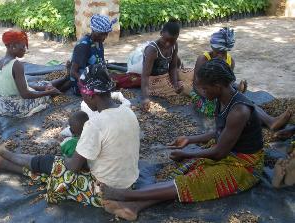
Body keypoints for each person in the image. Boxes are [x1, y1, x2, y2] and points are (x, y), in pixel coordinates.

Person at [99, 59, 266, 221]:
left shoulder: (239, 111)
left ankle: (127, 195)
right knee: (187, 172)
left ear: (217, 86)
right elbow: (219, 132)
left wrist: (187, 154)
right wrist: (190, 139)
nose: (201, 92)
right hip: (228, 153)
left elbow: (219, 152)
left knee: (195, 180)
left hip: (245, 166)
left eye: (204, 88)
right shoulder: (221, 98)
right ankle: (135, 207)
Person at [0, 63, 140, 207]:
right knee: (57, 170)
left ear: (91, 95)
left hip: (105, 191)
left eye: (83, 95)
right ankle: (2, 163)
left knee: (55, 167)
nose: (83, 99)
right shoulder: (127, 111)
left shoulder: (95, 124)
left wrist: (65, 157)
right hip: (129, 185)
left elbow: (73, 167)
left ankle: (5, 154)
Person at [0, 30, 70, 118]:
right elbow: (25, 94)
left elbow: (17, 86)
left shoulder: (0, 61)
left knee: (43, 85)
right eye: (22, 46)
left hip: (4, 106)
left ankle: (64, 78)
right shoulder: (16, 65)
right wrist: (48, 92)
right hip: (18, 109)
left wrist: (43, 88)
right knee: (47, 91)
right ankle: (64, 81)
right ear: (13, 46)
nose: (25, 50)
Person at [189, 27, 247, 117]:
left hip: (219, 93)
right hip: (204, 93)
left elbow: (228, 84)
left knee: (242, 103)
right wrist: (209, 96)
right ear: (213, 48)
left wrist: (237, 89)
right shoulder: (203, 59)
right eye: (218, 52)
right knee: (214, 109)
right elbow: (197, 85)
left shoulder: (230, 61)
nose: (220, 55)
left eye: (223, 52)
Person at [141, 20, 193, 111]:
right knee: (186, 89)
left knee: (193, 74)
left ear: (176, 38)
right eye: (166, 40)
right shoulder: (152, 49)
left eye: (172, 41)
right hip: (155, 80)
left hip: (167, 75)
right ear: (161, 33)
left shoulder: (174, 45)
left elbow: (173, 67)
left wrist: (175, 83)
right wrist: (145, 98)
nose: (168, 44)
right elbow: (145, 76)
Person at [70, 14, 117, 95]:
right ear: (94, 31)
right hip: (82, 83)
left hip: (94, 77)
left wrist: (107, 76)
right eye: (102, 34)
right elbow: (73, 72)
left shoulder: (98, 42)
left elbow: (100, 62)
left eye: (106, 34)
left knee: (115, 83)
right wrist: (88, 82)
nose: (104, 37)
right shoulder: (83, 46)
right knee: (104, 93)